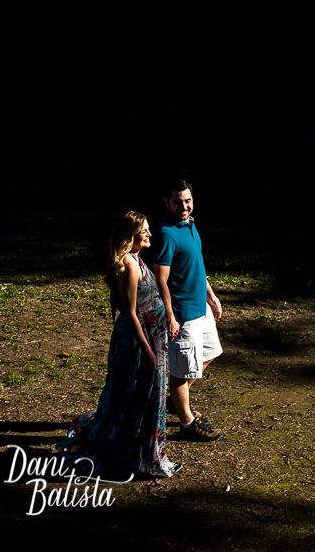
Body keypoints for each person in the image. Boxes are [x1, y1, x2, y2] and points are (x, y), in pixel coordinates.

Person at [57, 210, 180, 480]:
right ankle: (124, 454)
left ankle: (141, 453)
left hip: (153, 337)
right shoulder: (130, 264)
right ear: (130, 235)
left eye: (148, 229)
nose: (149, 233)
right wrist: (147, 350)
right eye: (144, 230)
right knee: (131, 396)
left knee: (146, 396)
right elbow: (131, 312)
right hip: (138, 342)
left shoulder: (137, 257)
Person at [152, 179, 224, 441]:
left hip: (200, 309)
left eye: (187, 201)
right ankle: (187, 424)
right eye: (177, 201)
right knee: (181, 373)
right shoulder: (166, 234)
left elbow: (197, 266)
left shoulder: (190, 226)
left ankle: (176, 400)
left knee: (211, 353)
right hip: (183, 315)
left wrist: (210, 294)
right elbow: (161, 280)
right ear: (167, 203)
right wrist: (170, 316)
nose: (184, 206)